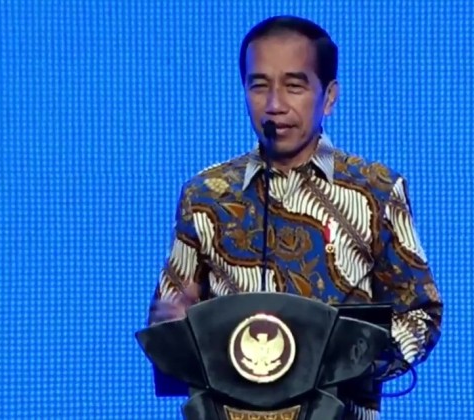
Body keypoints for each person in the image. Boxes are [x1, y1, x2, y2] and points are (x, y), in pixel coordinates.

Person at [147, 15, 443, 419]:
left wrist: (355, 360)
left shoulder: (376, 190)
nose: (274, 105)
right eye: (259, 85)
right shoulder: (206, 195)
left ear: (329, 97)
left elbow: (421, 314)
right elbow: (168, 320)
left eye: (294, 86)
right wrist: (174, 328)